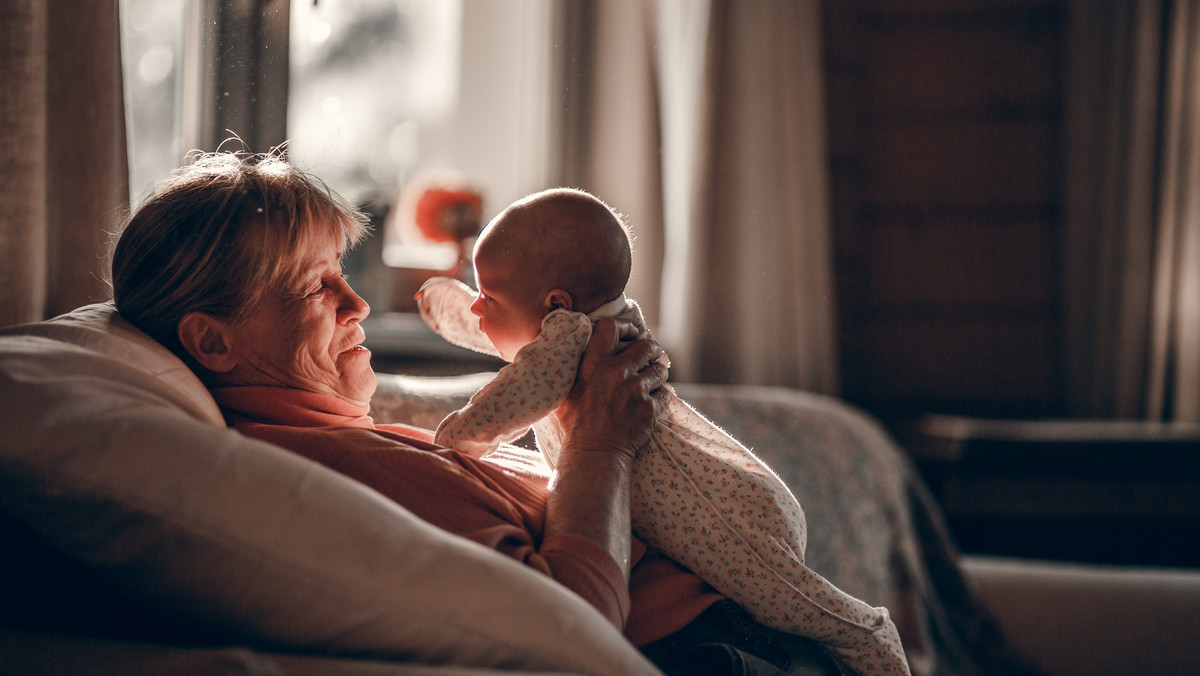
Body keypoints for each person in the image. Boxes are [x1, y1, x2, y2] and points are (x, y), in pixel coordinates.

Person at [109, 150, 862, 676]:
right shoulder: (340, 469)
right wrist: (601, 446)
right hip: (706, 654)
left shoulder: (352, 437)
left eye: (345, 275)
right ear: (213, 340)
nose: (360, 304)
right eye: (317, 289)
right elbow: (574, 624)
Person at [416, 188, 909, 676]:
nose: (478, 313)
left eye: (487, 298)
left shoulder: (568, 343)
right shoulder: (598, 324)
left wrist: (454, 441)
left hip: (726, 515)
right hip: (744, 493)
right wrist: (466, 306)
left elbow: (511, 399)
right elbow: (515, 339)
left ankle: (874, 640)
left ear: (557, 307)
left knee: (801, 608)